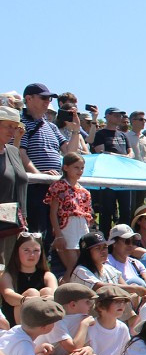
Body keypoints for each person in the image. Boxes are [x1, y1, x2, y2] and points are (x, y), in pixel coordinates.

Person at [20, 84, 69, 239]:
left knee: (53, 232)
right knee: (37, 232)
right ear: (28, 99)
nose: (48, 101)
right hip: (35, 187)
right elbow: (20, 153)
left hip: (54, 187)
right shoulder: (21, 124)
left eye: (49, 98)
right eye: (43, 97)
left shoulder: (52, 127)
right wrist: (40, 176)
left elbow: (70, 152)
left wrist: (75, 130)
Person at [45, 152, 94, 279]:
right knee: (72, 267)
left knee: (82, 266)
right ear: (66, 167)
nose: (80, 171)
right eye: (76, 167)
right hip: (67, 228)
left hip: (82, 227)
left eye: (82, 168)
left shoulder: (84, 191)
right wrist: (59, 235)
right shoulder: (60, 186)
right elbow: (53, 213)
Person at [90, 107, 134, 235]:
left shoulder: (123, 135)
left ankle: (122, 237)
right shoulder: (100, 134)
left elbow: (131, 153)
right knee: (107, 211)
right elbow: (101, 152)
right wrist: (121, 156)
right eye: (116, 115)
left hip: (123, 177)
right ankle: (106, 239)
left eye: (120, 116)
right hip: (107, 177)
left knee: (126, 210)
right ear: (108, 116)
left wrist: (125, 156)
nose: (119, 118)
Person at [0, 232, 57, 327]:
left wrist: (44, 300)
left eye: (36, 250)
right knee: (32, 292)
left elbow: (55, 295)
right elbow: (8, 295)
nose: (32, 254)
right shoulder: (8, 275)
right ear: (17, 251)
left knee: (48, 291)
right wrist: (28, 300)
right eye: (26, 250)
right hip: (16, 319)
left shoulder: (47, 275)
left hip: (42, 316)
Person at [0, 105, 29, 261]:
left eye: (15, 126)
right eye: (8, 126)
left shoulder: (12, 151)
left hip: (16, 224)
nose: (12, 131)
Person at [106, 224, 146, 298]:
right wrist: (134, 289)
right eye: (127, 241)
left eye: (133, 241)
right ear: (114, 243)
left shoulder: (136, 263)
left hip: (143, 299)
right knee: (135, 281)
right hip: (123, 301)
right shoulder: (106, 263)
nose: (130, 245)